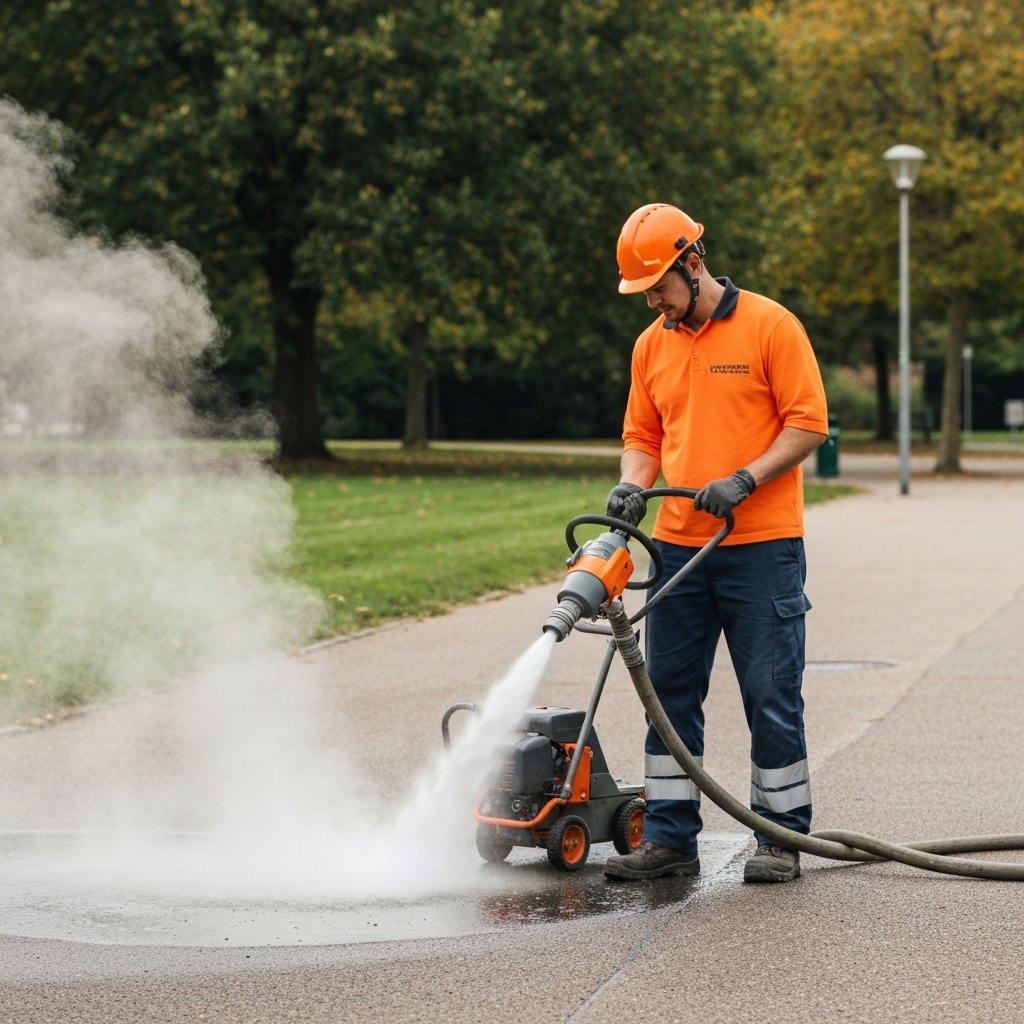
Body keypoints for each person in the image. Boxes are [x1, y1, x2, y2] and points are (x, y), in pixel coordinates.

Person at [602, 203, 828, 884]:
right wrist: (632, 485)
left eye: (661, 290)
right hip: (675, 548)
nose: (657, 306)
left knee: (769, 691)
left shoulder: (771, 325)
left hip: (761, 547)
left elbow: (809, 424)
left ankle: (779, 837)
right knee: (667, 694)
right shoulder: (652, 344)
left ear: (692, 263)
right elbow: (643, 437)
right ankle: (671, 842)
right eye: (646, 296)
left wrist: (745, 477)